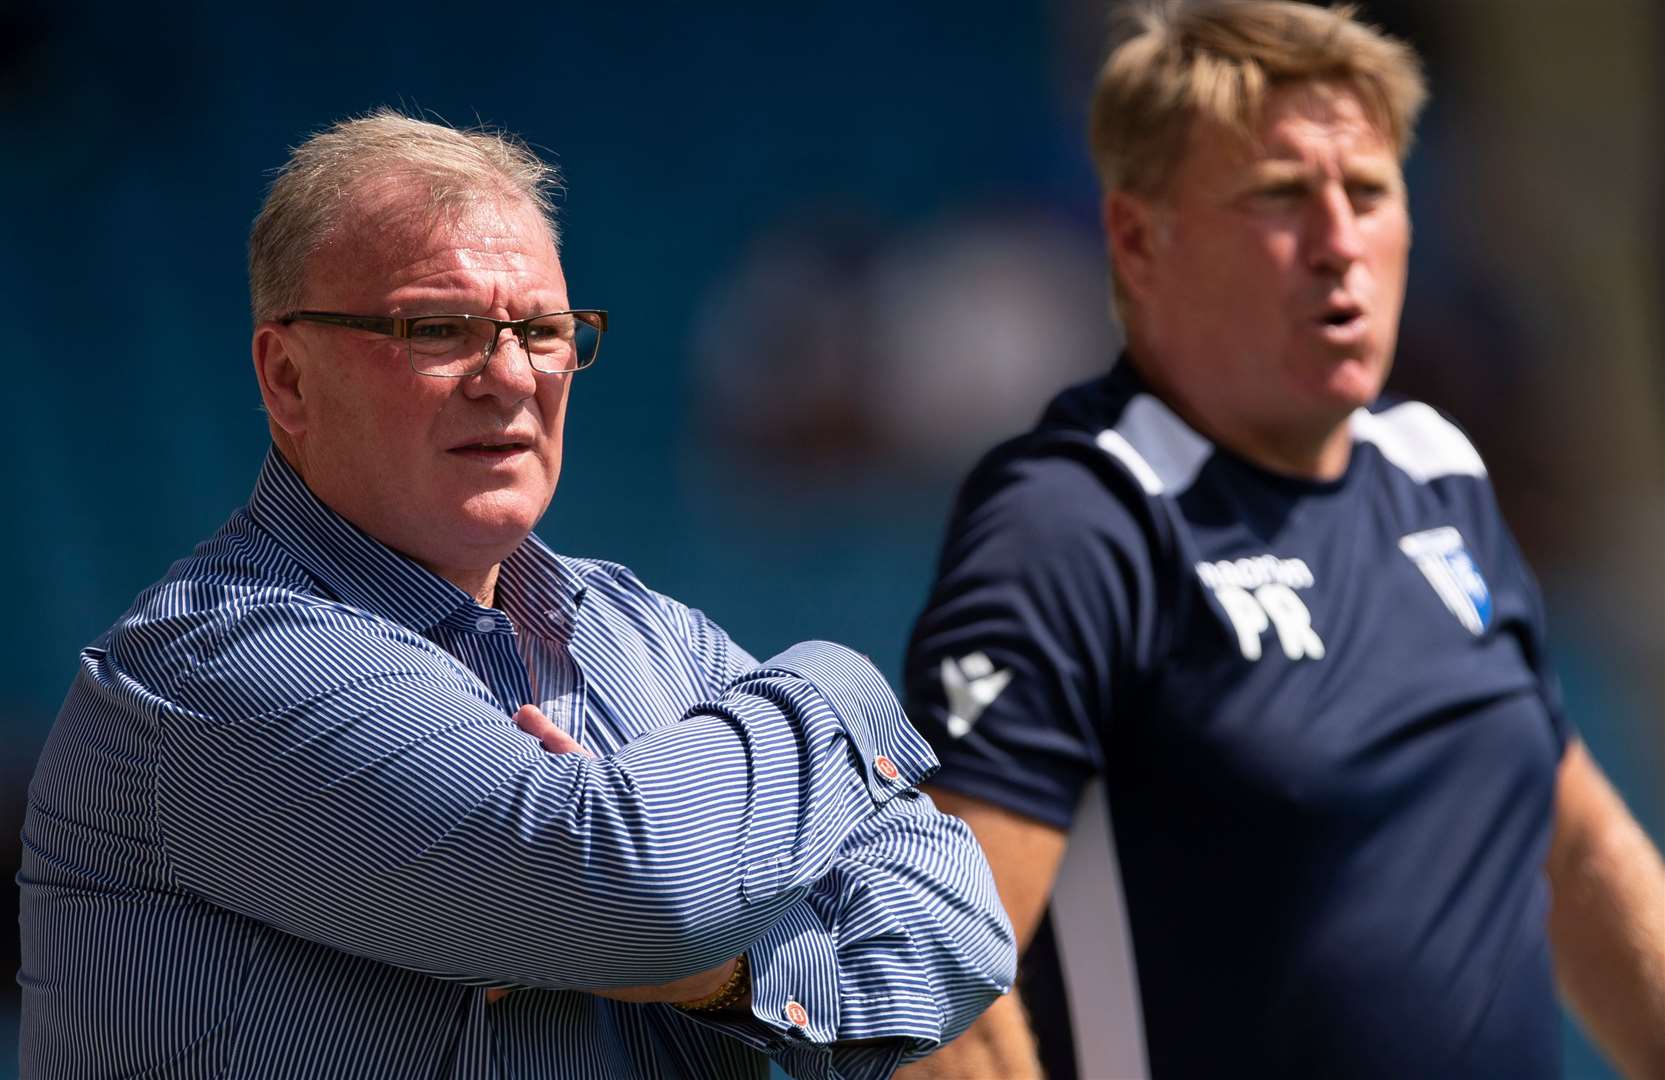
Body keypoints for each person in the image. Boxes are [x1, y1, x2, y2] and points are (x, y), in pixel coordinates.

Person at [18, 111, 1014, 1079]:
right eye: (438, 329)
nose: (509, 377)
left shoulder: (643, 632)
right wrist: (835, 686)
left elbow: (961, 928)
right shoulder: (211, 664)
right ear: (287, 379)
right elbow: (633, 887)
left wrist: (722, 972)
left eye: (541, 330)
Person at [897, 3, 1665, 1077]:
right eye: (1279, 196)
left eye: (1369, 191)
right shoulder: (1077, 524)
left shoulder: (1434, 474)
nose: (1339, 244)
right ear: (1139, 238)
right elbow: (937, 987)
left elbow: (1576, 854)